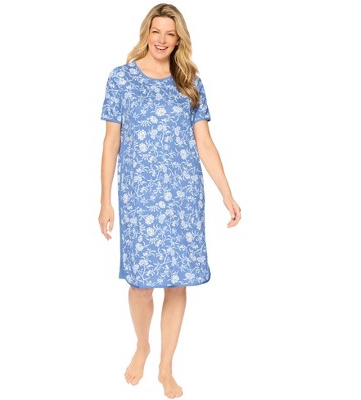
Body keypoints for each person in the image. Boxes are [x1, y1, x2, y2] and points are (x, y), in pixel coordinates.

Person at [98, 3, 241, 398]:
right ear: (147, 32)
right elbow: (111, 142)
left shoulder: (189, 81)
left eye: (170, 33)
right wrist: (105, 200)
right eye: (156, 31)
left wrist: (227, 193)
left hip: (182, 195)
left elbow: (204, 142)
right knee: (141, 283)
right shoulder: (122, 78)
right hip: (139, 196)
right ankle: (142, 345)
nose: (162, 39)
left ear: (179, 40)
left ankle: (166, 367)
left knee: (177, 283)